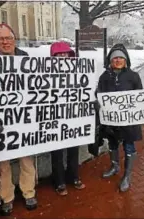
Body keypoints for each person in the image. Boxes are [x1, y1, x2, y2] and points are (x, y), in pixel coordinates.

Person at [96, 43, 144, 192]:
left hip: (129, 121)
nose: (117, 60)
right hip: (111, 121)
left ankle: (127, 175)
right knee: (112, 144)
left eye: (120, 58)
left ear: (126, 60)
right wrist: (96, 103)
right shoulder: (104, 77)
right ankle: (114, 166)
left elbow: (139, 96)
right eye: (115, 58)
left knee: (128, 146)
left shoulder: (133, 76)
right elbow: (98, 93)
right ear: (110, 61)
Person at [0, 23, 37, 215]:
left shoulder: (24, 58)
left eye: (8, 38)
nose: (5, 42)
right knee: (3, 162)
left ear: (14, 39)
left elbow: (36, 84)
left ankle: (28, 193)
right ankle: (6, 197)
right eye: (1, 39)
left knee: (26, 158)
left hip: (21, 118)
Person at [50, 42, 86, 196]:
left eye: (66, 54)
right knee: (56, 153)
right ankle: (59, 181)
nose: (63, 57)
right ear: (53, 57)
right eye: (60, 54)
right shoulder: (45, 73)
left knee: (73, 150)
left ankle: (74, 176)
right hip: (54, 119)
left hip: (73, 118)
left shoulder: (78, 72)